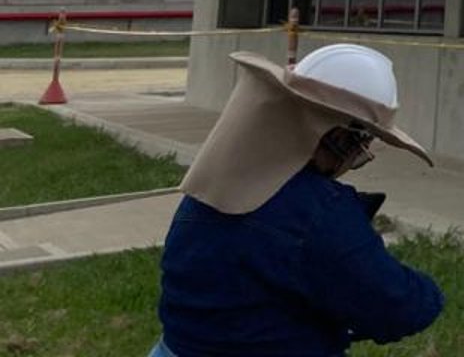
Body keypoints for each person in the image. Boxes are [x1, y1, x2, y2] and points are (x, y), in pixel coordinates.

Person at [151, 43, 445, 357]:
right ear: (338, 136)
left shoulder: (213, 185)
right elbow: (398, 306)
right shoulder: (318, 213)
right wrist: (429, 293)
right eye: (363, 142)